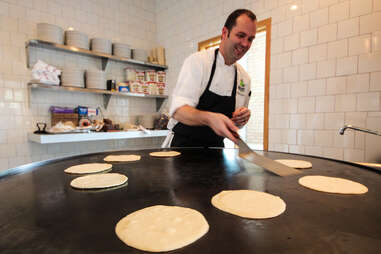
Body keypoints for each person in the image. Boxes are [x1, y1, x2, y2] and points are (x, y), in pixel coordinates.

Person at [163, 9, 257, 148]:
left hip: (216, 151)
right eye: (241, 35)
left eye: (250, 39)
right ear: (225, 33)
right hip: (183, 149)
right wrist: (209, 118)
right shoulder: (198, 62)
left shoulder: (244, 78)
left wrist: (241, 119)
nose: (245, 44)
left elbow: (233, 124)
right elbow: (178, 111)